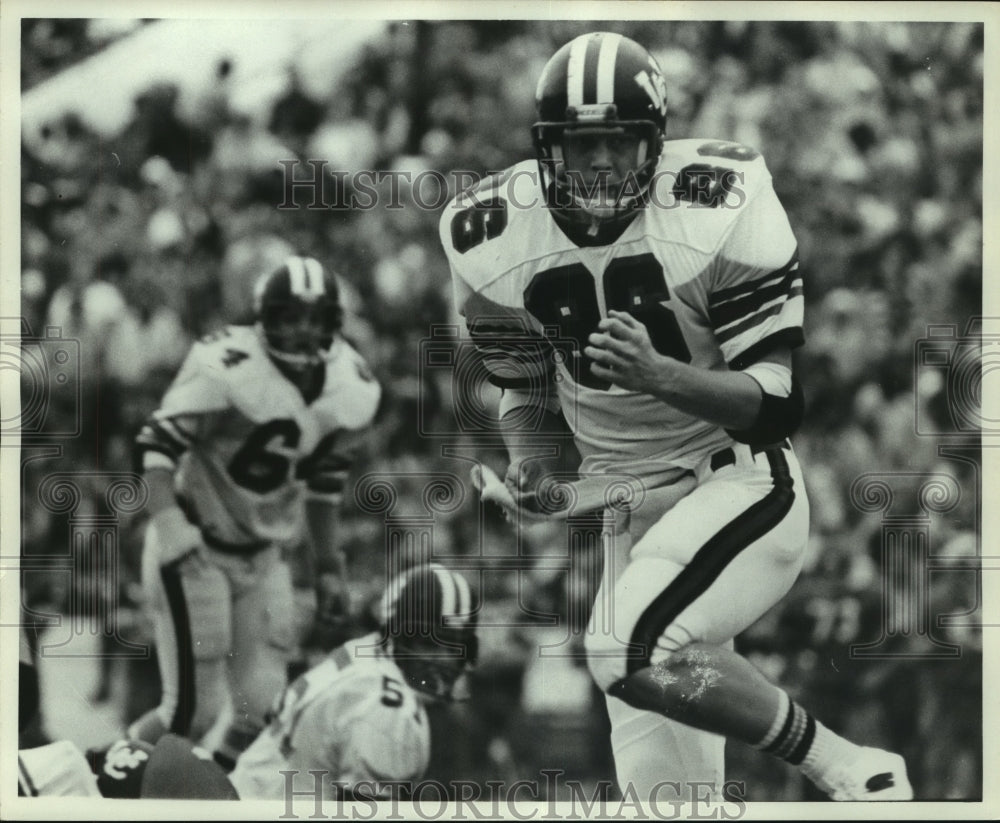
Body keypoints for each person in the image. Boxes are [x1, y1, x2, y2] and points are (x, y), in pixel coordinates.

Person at [441, 31, 912, 801]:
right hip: (630, 513)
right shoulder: (490, 233)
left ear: (653, 146)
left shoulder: (717, 198)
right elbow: (525, 390)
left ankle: (847, 766)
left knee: (623, 645)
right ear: (545, 149)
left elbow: (779, 403)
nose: (598, 162)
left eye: (618, 144)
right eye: (580, 143)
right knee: (666, 802)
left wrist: (661, 374)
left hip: (739, 486)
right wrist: (531, 465)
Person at [129, 255, 382, 770]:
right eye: (288, 316)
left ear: (333, 323)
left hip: (265, 555)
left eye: (313, 319)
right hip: (197, 544)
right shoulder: (225, 363)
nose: (301, 331)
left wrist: (330, 568)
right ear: (264, 316)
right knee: (190, 714)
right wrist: (171, 525)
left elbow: (324, 482)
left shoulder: (351, 383)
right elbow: (154, 448)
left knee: (262, 709)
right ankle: (105, 776)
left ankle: (208, 800)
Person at [19, 563, 479, 801]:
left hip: (235, 784)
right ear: (402, 634)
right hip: (237, 804)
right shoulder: (393, 708)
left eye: (455, 645)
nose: (449, 659)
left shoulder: (362, 654)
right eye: (436, 642)